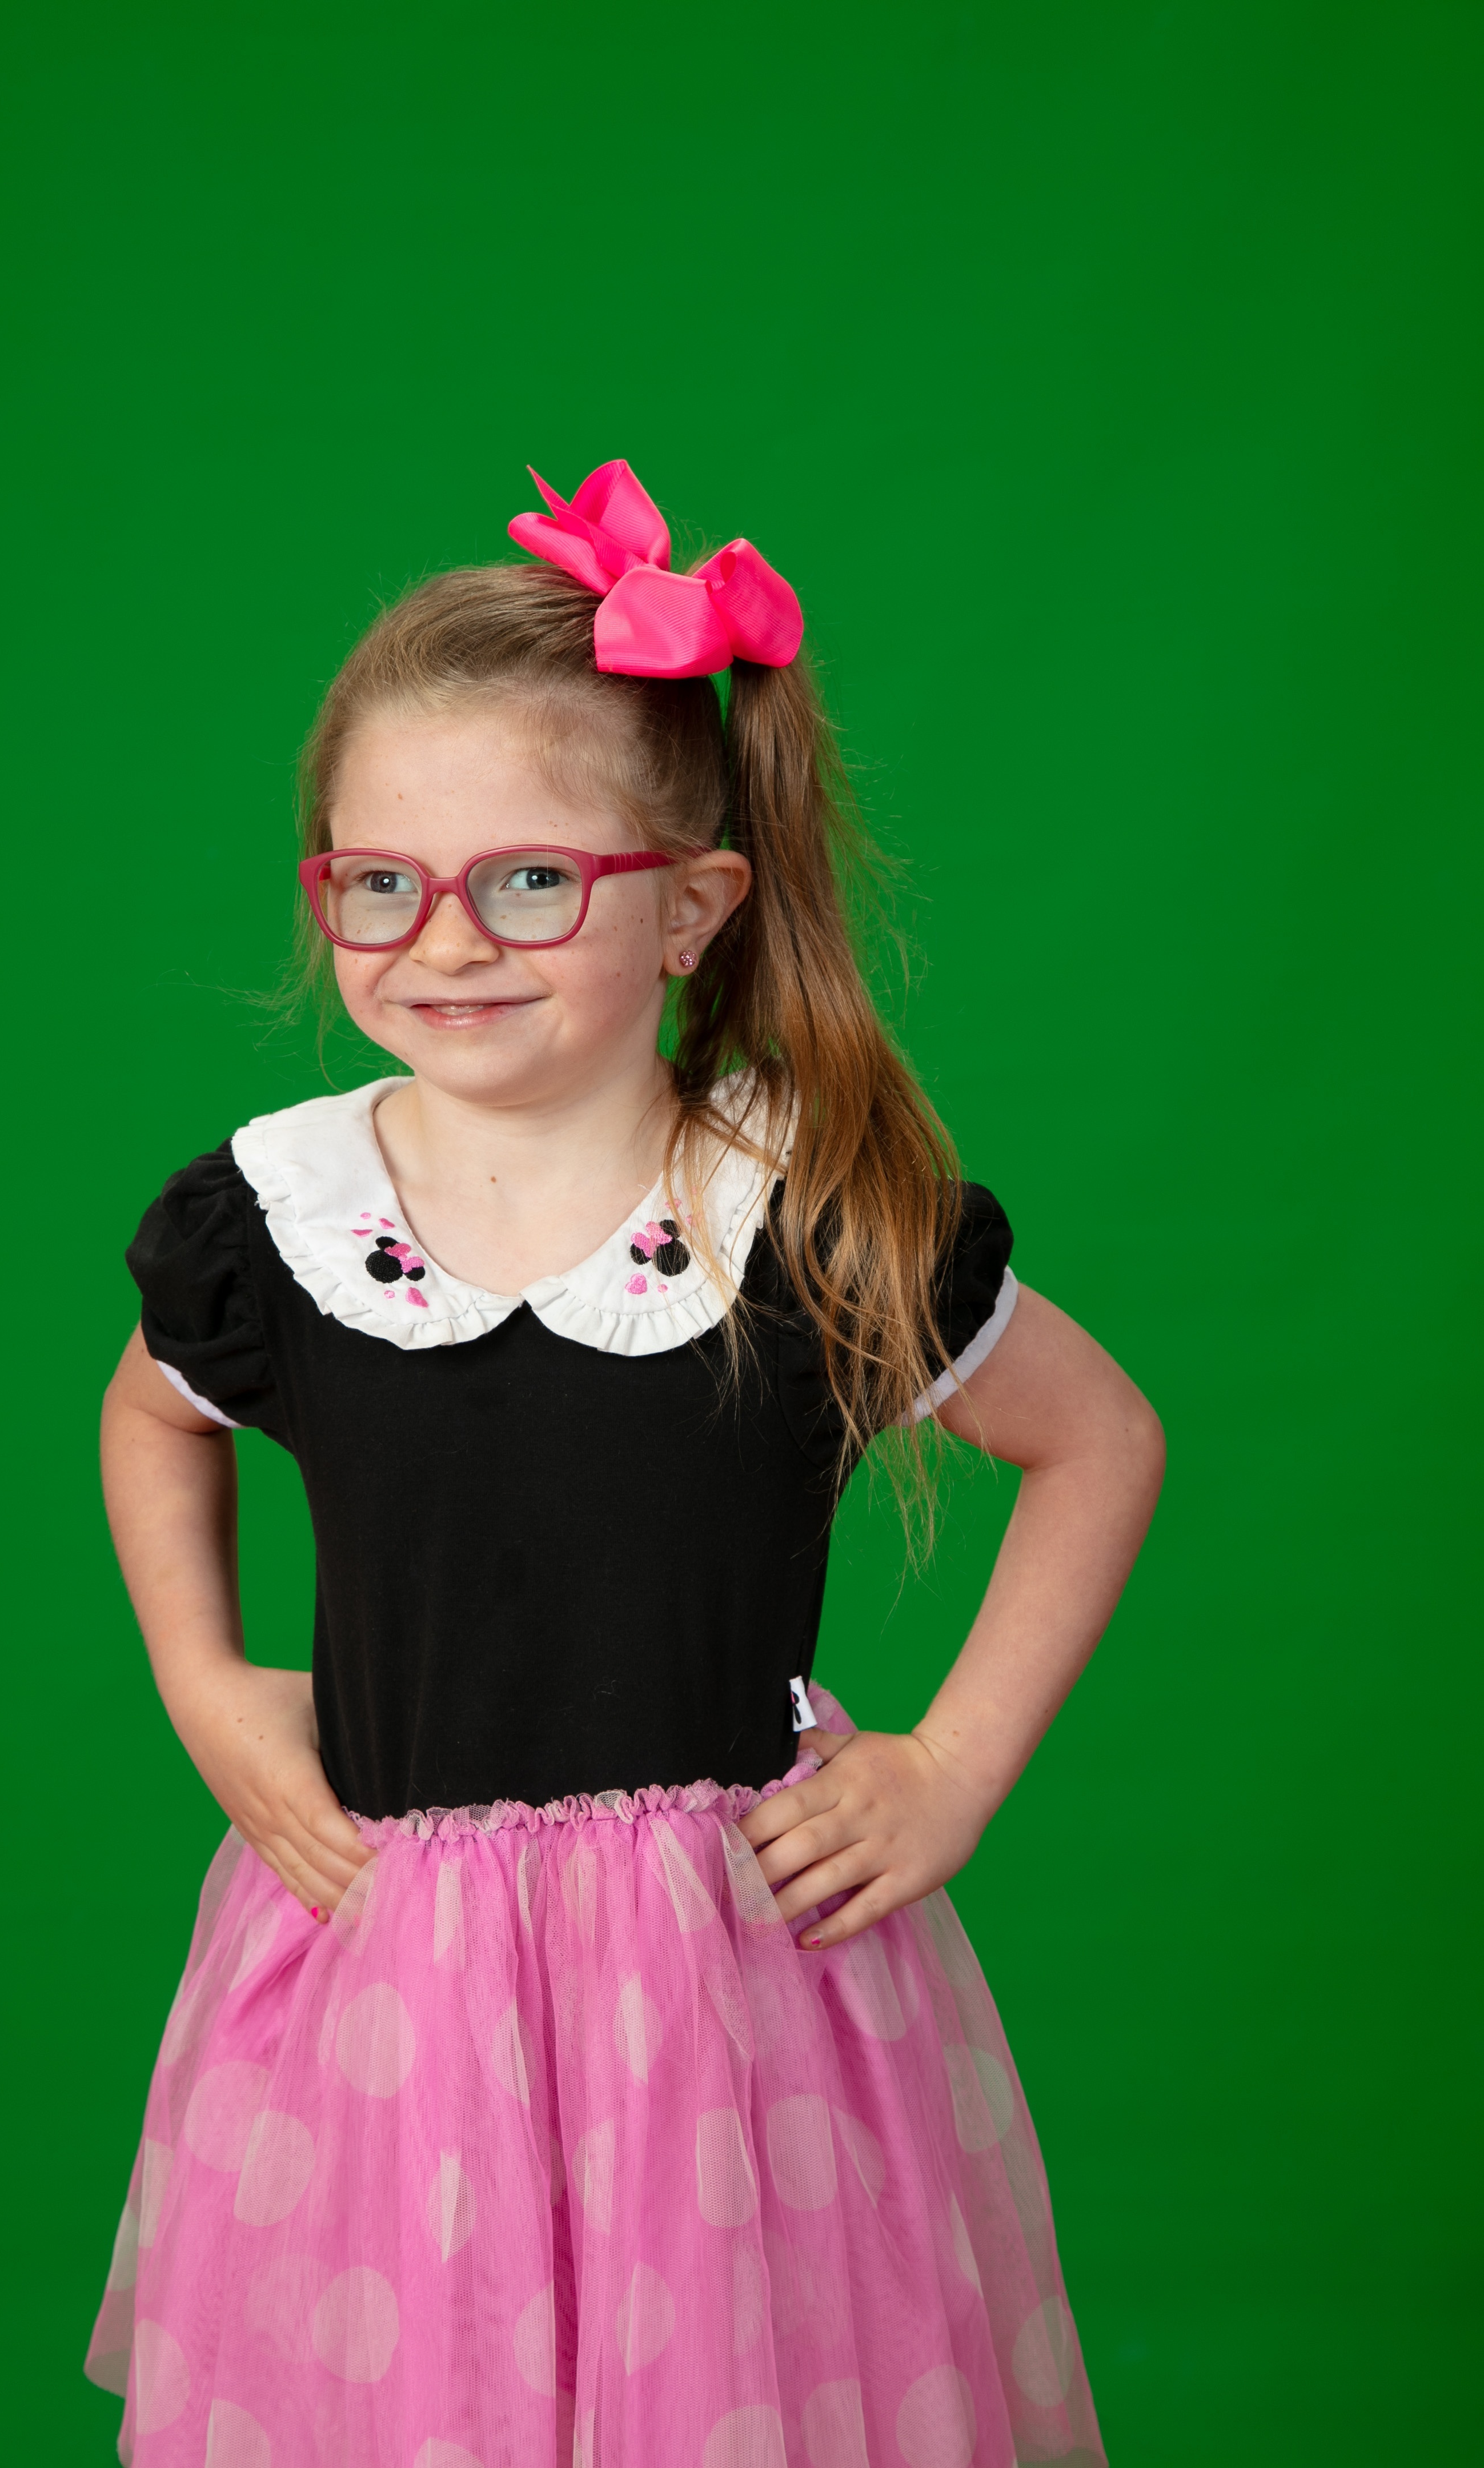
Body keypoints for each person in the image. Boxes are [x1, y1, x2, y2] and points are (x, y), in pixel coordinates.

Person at [86, 459, 1162, 2468]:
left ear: (690, 906)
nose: (443, 941)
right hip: (392, 1999)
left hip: (727, 1999)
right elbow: (152, 1412)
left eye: (527, 880)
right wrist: (204, 1681)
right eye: (378, 882)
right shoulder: (285, 1219)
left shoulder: (799, 1211)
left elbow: (1098, 1439)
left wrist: (952, 1766)